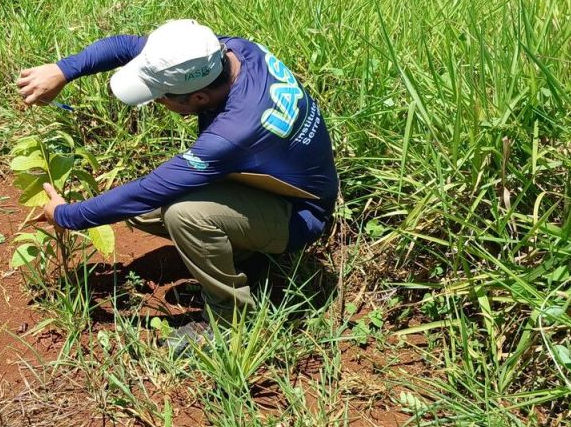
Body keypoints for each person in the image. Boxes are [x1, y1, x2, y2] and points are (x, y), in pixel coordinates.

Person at [17, 19, 338, 349]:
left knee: (183, 214)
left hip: (300, 214)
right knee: (143, 211)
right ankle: (243, 257)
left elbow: (147, 190)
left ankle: (229, 324)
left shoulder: (232, 134)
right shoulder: (225, 53)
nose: (158, 103)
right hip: (269, 183)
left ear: (198, 97)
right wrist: (61, 70)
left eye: (160, 97)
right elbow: (125, 47)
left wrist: (65, 215)